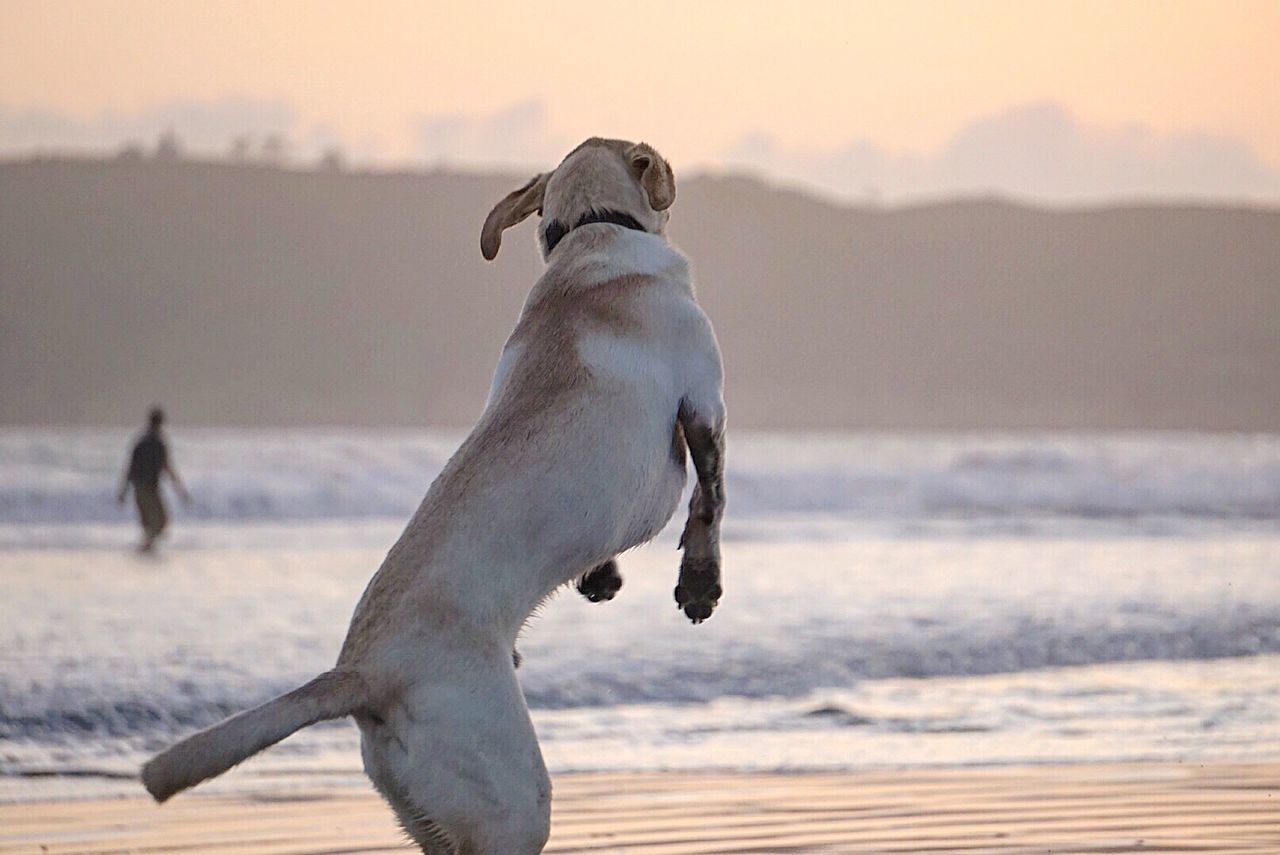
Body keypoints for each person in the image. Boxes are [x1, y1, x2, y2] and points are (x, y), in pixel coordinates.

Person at [117, 407, 190, 551]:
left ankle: (146, 548)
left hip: (139, 487)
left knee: (149, 524)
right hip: (149, 488)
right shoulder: (158, 443)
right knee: (160, 522)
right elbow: (168, 467)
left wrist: (123, 491)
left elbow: (130, 467)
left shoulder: (141, 442)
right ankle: (146, 548)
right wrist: (181, 491)